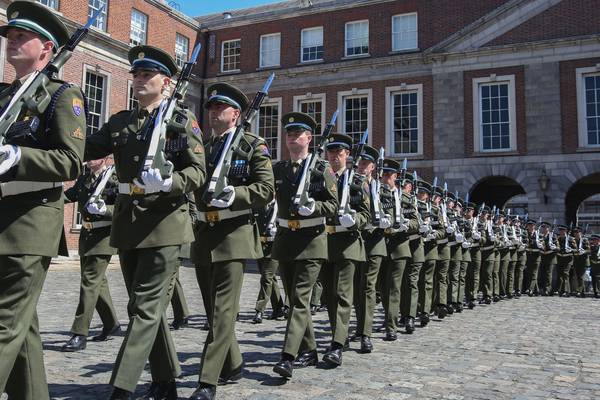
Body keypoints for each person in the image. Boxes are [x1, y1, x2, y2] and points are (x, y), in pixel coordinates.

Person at [85, 45, 205, 399]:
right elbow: (86, 147)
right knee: (142, 306)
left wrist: (171, 182)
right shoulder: (122, 121)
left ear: (165, 82)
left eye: (146, 75)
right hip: (127, 222)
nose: (138, 80)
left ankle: (121, 387)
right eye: (135, 74)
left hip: (165, 222)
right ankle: (166, 381)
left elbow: (197, 172)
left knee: (146, 306)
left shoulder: (181, 121)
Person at [0, 2, 85, 398]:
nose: (11, 41)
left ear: (47, 49)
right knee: (22, 326)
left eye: (22, 36)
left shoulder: (62, 95)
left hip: (29, 225)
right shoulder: (4, 97)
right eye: (10, 36)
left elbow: (71, 161)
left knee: (5, 323)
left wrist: (19, 157)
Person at [190, 82, 274, 400]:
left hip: (234, 235)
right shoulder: (206, 147)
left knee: (224, 311)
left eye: (220, 108)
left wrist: (234, 195)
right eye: (211, 107)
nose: (213, 113)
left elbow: (265, 190)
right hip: (204, 236)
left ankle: (206, 381)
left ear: (236, 114)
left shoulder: (253, 145)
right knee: (214, 311)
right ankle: (233, 363)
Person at [271, 112, 338, 378]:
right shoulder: (279, 169)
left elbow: (333, 205)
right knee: (293, 297)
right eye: (288, 133)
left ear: (309, 138)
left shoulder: (322, 169)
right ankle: (309, 349)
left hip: (312, 241)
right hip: (286, 239)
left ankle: (288, 355)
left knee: (300, 299)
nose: (291, 137)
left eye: (297, 133)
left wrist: (315, 207)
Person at [62, 158, 120, 352]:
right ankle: (111, 324)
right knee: (98, 283)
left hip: (103, 237)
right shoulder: (85, 177)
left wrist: (106, 211)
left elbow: (123, 207)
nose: (89, 160)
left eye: (94, 156)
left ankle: (80, 333)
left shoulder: (113, 178)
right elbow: (70, 195)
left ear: (104, 159)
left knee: (89, 282)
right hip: (86, 237)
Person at [321, 133, 369, 364]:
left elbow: (366, 214)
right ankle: (339, 334)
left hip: (348, 243)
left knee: (342, 293)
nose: (334, 157)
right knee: (328, 295)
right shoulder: (321, 177)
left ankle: (337, 344)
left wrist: (355, 220)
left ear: (347, 154)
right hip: (324, 243)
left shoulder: (357, 181)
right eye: (330, 153)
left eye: (338, 153)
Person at [353, 145, 389, 352]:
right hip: (357, 239)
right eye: (360, 163)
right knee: (357, 287)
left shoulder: (380, 188)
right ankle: (360, 326)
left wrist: (386, 220)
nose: (362, 167)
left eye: (366, 164)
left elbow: (392, 210)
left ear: (373, 167)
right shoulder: (352, 184)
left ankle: (366, 334)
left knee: (368, 286)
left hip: (375, 241)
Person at [252, 199, 285, 323]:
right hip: (261, 246)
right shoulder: (258, 204)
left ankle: (259, 310)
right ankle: (278, 308)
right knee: (271, 279)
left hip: (276, 246)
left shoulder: (281, 204)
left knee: (266, 277)